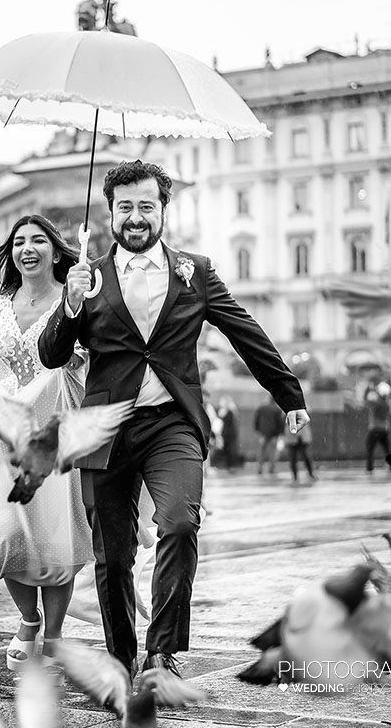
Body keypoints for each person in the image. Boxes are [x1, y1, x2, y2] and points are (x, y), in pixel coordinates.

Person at [39, 160, 308, 679]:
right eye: (125, 208)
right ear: (109, 213)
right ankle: (121, 656)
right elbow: (53, 356)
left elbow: (243, 331)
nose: (135, 217)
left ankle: (162, 652)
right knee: (113, 557)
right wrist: (70, 304)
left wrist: (287, 391)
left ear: (163, 210)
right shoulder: (88, 276)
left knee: (181, 523)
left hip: (172, 424)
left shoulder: (196, 271)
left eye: (146, 206)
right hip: (105, 428)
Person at [0, 213, 140, 673]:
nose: (28, 248)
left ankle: (55, 633)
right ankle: (27, 618)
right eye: (19, 241)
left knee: (55, 538)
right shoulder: (5, 298)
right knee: (8, 535)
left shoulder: (77, 292)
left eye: (38, 240)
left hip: (55, 430)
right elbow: (3, 360)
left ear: (54, 248)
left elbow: (85, 353)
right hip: (8, 435)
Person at [364, 381, 391, 473]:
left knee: (369, 448)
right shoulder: (387, 404)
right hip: (384, 429)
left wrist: (368, 389)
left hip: (375, 429)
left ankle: (369, 468)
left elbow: (366, 401)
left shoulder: (377, 403)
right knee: (387, 449)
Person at [253, 394, 284, 475]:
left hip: (262, 434)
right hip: (274, 434)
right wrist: (279, 434)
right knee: (272, 452)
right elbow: (280, 423)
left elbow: (256, 420)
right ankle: (271, 469)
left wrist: (257, 431)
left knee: (261, 452)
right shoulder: (277, 409)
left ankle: (260, 468)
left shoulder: (261, 407)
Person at [284, 418, 316, 484]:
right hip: (292, 438)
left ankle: (310, 474)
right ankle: (295, 476)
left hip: (302, 438)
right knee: (293, 458)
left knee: (306, 457)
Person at [216, 396, 240, 470]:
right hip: (227, 433)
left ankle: (229, 465)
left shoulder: (229, 411)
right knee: (227, 449)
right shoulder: (229, 411)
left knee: (229, 449)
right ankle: (228, 465)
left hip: (227, 433)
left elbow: (225, 422)